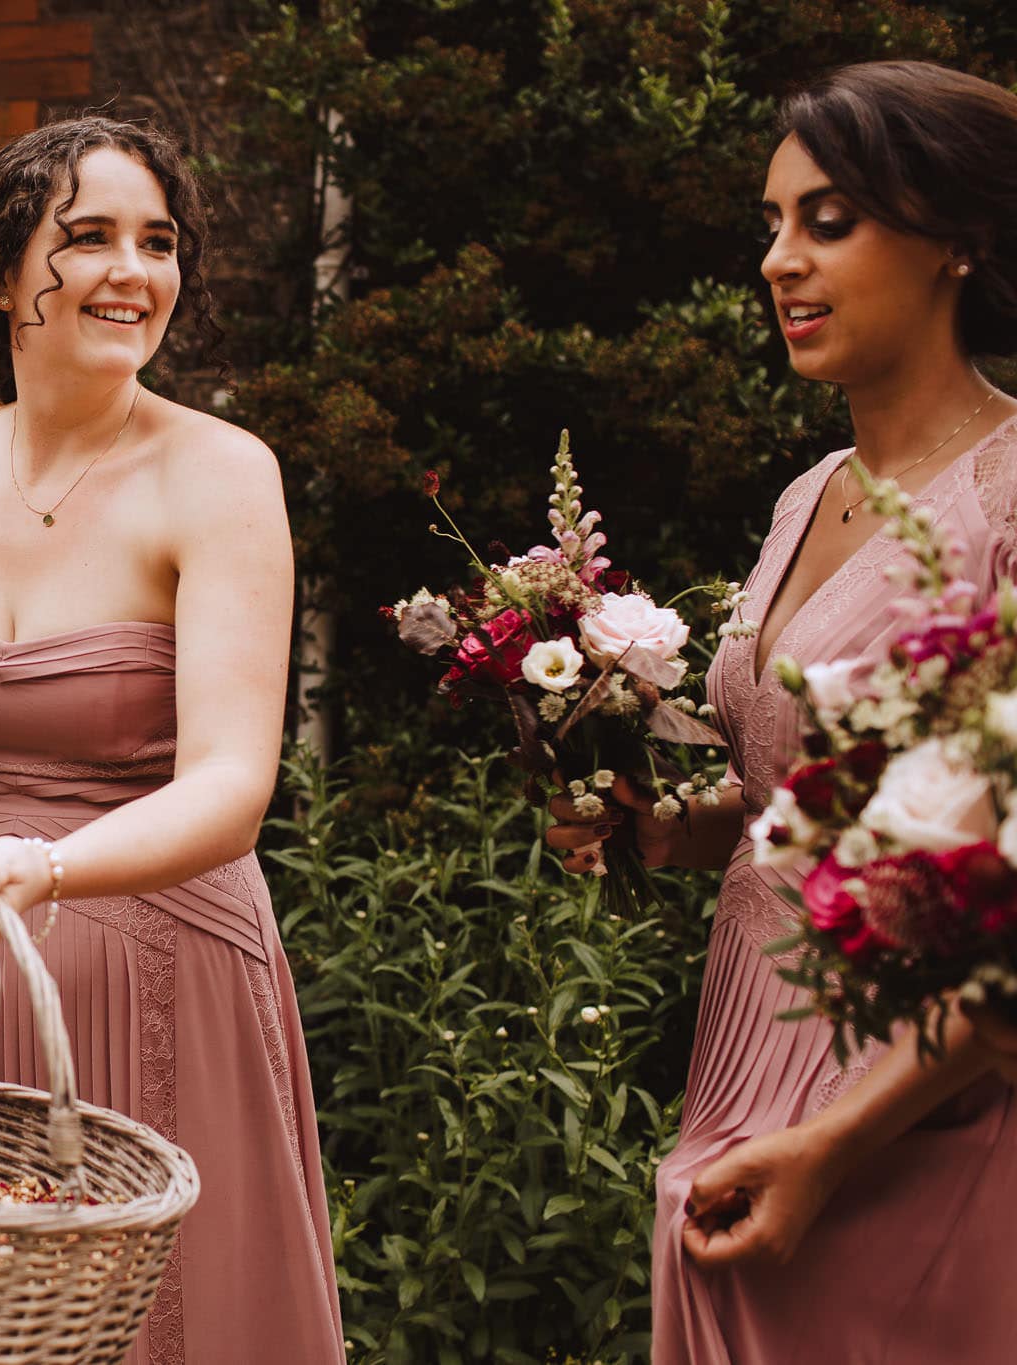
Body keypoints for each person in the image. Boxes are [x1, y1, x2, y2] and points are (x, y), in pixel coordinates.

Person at [0, 117, 344, 1364]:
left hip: (163, 958)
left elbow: (232, 786)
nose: (130, 273)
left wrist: (44, 867)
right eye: (84, 238)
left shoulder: (220, 475)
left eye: (157, 243)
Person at [546, 61, 1017, 1362]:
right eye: (770, 223)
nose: (776, 260)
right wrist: (645, 823)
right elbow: (777, 807)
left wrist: (835, 1145)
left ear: (958, 242)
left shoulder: (1012, 499)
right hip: (747, 1055)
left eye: (827, 220)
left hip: (916, 1108)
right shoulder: (810, 494)